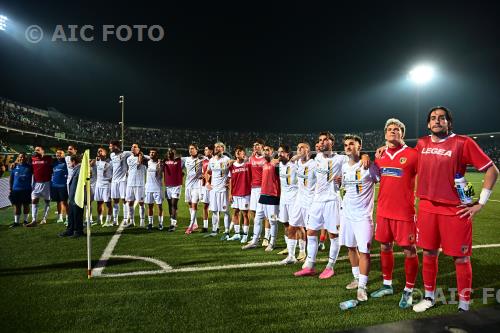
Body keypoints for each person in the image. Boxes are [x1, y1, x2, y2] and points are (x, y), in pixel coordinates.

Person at [411, 107, 498, 313]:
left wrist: (480, 203)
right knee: (429, 253)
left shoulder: (463, 142)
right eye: (433, 118)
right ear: (427, 124)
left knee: (461, 258)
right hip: (427, 208)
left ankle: (464, 304)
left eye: (442, 118)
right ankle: (429, 297)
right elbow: (406, 162)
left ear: (449, 122)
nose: (437, 121)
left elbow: (492, 170)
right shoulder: (422, 143)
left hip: (455, 210)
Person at [370, 119, 419, 309]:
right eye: (389, 129)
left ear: (402, 134)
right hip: (383, 211)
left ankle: (408, 289)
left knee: (409, 250)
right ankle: (387, 285)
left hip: (404, 212)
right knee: (384, 247)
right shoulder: (379, 156)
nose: (393, 132)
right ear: (385, 134)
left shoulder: (413, 155)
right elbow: (374, 177)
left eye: (396, 129)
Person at [294, 132, 347, 278]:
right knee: (311, 231)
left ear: (332, 143)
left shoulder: (341, 159)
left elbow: (354, 166)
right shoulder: (317, 157)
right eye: (320, 140)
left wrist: (343, 179)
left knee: (333, 235)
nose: (322, 142)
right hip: (317, 201)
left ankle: (330, 266)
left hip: (332, 201)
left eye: (325, 140)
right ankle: (310, 265)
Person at [339, 134, 379, 302]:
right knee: (350, 247)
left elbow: (381, 179)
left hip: (363, 216)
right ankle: (356, 278)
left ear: (359, 147)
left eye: (352, 144)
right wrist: (337, 182)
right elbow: (345, 188)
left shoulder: (368, 166)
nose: (348, 147)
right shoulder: (344, 167)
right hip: (347, 214)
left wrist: (367, 158)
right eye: (346, 144)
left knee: (364, 251)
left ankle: (362, 286)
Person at [242, 145, 280, 251]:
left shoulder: (276, 163)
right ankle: (254, 241)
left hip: (273, 196)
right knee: (258, 219)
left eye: (268, 150)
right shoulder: (265, 164)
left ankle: (272, 243)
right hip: (262, 195)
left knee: (272, 221)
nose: (266, 152)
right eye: (264, 150)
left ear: (272, 152)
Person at [283, 142, 316, 264]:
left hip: (311, 201)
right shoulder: (296, 163)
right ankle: (291, 256)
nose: (299, 150)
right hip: (299, 200)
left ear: (308, 150)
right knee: (292, 226)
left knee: (310, 231)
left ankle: (307, 255)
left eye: (302, 147)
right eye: (297, 148)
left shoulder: (314, 164)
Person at [206, 142, 231, 238]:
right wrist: (207, 182)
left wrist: (229, 181)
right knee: (214, 211)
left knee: (225, 211)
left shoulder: (227, 159)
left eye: (220, 147)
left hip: (223, 190)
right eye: (216, 147)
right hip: (213, 190)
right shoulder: (211, 160)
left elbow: (232, 172)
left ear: (223, 149)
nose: (218, 149)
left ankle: (227, 231)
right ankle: (214, 230)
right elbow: (207, 172)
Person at [276, 144, 298, 255]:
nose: (279, 154)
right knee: (285, 223)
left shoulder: (295, 163)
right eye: (278, 152)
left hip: (294, 198)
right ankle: (288, 247)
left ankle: (303, 250)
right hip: (283, 199)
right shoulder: (280, 164)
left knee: (296, 225)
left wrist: (296, 157)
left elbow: (305, 156)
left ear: (288, 154)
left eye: (282, 152)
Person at [227, 146, 251, 241]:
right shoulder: (232, 166)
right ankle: (237, 234)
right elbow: (230, 180)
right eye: (237, 151)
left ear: (243, 154)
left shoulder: (248, 165)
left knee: (245, 214)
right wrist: (230, 194)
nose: (238, 152)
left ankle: (245, 235)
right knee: (235, 212)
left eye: (240, 151)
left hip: (245, 193)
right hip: (235, 193)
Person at [248, 139, 269, 245]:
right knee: (253, 212)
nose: (255, 147)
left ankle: (266, 237)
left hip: (263, 188)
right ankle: (258, 235)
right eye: (254, 145)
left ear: (262, 146)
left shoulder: (266, 159)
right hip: (253, 188)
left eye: (258, 145)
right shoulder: (251, 158)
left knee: (265, 213)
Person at [26, 145, 53, 227]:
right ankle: (34, 220)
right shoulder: (32, 159)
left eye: (38, 150)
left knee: (47, 201)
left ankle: (44, 218)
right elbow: (26, 165)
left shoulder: (49, 158)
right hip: (36, 183)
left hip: (47, 183)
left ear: (42, 151)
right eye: (35, 150)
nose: (36, 151)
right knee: (34, 201)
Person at [59, 154, 84, 238]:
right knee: (71, 214)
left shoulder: (80, 169)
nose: (69, 164)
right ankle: (70, 230)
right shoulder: (76, 169)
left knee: (77, 214)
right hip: (72, 196)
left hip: (77, 196)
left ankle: (78, 231)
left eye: (70, 162)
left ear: (74, 161)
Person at [109, 140, 132, 226]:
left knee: (124, 200)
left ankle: (125, 219)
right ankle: (115, 220)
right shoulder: (111, 155)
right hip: (114, 181)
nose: (109, 147)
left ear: (116, 146)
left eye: (111, 146)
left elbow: (135, 153)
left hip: (123, 180)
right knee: (115, 201)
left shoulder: (125, 153)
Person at [124, 144, 146, 227]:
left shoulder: (144, 158)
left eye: (135, 147)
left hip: (139, 184)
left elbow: (150, 158)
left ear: (139, 149)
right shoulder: (128, 158)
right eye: (132, 146)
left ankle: (142, 221)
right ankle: (132, 221)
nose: (132, 148)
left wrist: (141, 156)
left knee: (141, 203)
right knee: (130, 202)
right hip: (130, 183)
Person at [184, 144, 204, 234]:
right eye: (189, 149)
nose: (190, 150)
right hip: (188, 186)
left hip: (196, 186)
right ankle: (195, 224)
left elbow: (210, 159)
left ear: (197, 150)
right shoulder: (186, 159)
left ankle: (190, 226)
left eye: (192, 149)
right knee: (189, 204)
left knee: (194, 205)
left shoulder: (201, 159)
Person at [8, 153, 32, 227]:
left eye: (23, 157)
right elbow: (11, 179)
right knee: (17, 206)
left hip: (26, 189)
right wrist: (10, 188)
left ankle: (25, 221)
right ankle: (16, 222)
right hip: (16, 190)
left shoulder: (30, 167)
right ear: (18, 158)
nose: (22, 158)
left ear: (26, 158)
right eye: (20, 157)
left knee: (26, 205)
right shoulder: (14, 167)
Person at [163, 148, 183, 232]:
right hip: (168, 186)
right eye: (168, 152)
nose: (170, 154)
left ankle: (173, 224)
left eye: (171, 152)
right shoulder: (164, 162)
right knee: (169, 204)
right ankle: (172, 221)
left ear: (174, 153)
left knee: (174, 204)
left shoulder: (179, 161)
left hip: (176, 186)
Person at [93, 147, 113, 227]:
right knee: (99, 203)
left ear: (106, 153)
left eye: (101, 151)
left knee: (108, 203)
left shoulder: (110, 162)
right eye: (98, 151)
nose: (99, 152)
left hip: (106, 185)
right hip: (98, 184)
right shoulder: (97, 162)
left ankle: (108, 221)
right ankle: (99, 220)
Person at [144, 148, 164, 231]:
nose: (152, 154)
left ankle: (160, 223)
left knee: (159, 206)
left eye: (153, 153)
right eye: (151, 152)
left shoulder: (160, 164)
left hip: (157, 187)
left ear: (156, 154)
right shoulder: (147, 162)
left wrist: (159, 166)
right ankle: (150, 223)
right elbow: (141, 155)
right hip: (148, 187)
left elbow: (159, 176)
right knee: (150, 206)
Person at [51, 149, 69, 224]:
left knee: (64, 202)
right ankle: (60, 217)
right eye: (57, 153)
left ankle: (68, 218)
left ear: (63, 154)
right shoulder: (54, 163)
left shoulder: (66, 163)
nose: (58, 155)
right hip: (55, 186)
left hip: (63, 186)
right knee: (58, 202)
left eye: (60, 153)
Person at [199, 145, 214, 232]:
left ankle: (216, 226)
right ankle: (205, 226)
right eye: (204, 150)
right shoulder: (203, 161)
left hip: (213, 186)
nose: (205, 151)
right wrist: (202, 176)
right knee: (205, 206)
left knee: (215, 208)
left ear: (211, 151)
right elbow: (203, 172)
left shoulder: (215, 160)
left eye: (206, 150)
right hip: (205, 186)